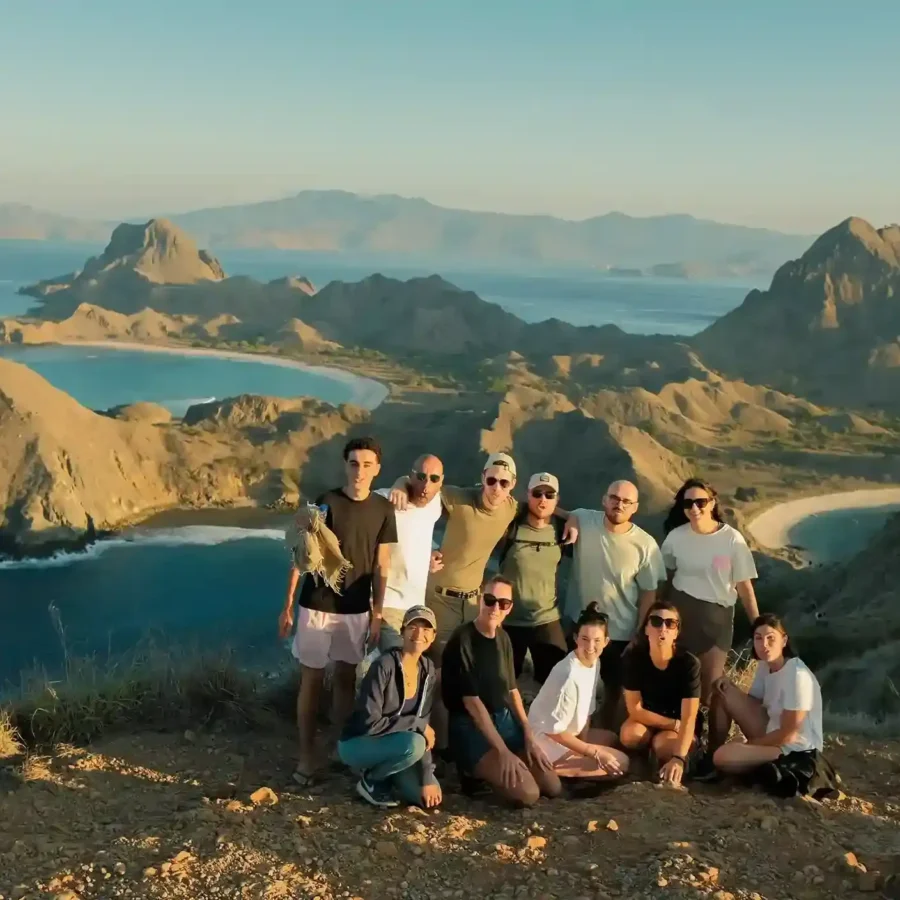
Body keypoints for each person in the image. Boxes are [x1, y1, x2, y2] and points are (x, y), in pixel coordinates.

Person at [278, 436, 398, 785]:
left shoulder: (383, 509)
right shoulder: (327, 502)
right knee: (312, 681)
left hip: (357, 609)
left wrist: (377, 613)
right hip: (317, 606)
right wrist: (286, 606)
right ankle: (306, 756)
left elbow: (382, 565)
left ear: (377, 469)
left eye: (367, 464)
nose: (359, 471)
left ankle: (340, 751)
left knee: (347, 680)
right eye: (354, 463)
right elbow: (303, 556)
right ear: (345, 465)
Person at [441, 575, 562, 806]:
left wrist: (528, 734)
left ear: (510, 608)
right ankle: (472, 772)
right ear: (480, 599)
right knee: (529, 794)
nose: (495, 607)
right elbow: (473, 704)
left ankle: (505, 767)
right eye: (490, 600)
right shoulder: (463, 639)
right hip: (471, 727)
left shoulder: (503, 638)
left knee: (552, 786)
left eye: (503, 603)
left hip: (503, 720)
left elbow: (513, 690)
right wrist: (502, 751)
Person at [562, 480, 667, 727]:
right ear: (604, 499)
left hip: (620, 632)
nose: (619, 504)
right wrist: (571, 520)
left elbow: (649, 594)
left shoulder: (645, 545)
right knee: (573, 686)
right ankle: (573, 741)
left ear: (635, 507)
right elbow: (556, 510)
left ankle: (608, 742)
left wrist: (639, 634)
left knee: (615, 692)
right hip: (579, 626)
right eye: (614, 498)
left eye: (626, 501)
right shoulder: (584, 519)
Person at [707, 615, 835, 797]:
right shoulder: (764, 667)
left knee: (723, 756)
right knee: (722, 690)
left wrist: (750, 745)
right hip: (772, 733)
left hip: (795, 749)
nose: (764, 644)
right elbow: (753, 704)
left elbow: (789, 734)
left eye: (770, 638)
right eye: (758, 638)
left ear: (784, 640)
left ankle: (732, 761)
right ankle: (709, 763)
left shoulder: (797, 675)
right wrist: (730, 686)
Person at [661, 479, 760, 705]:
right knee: (679, 686)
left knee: (711, 691)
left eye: (700, 502)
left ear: (712, 503)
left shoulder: (732, 540)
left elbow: (744, 586)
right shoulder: (676, 537)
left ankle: (714, 740)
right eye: (688, 503)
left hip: (716, 622)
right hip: (680, 618)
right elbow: (664, 579)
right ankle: (684, 736)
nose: (694, 508)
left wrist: (758, 625)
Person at [338, 606, 443, 808]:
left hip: (398, 744)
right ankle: (372, 779)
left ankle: (389, 773)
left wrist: (427, 774)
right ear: (402, 631)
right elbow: (370, 722)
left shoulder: (428, 669)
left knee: (426, 796)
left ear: (433, 636)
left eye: (426, 629)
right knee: (415, 744)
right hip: (359, 742)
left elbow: (424, 723)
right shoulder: (384, 665)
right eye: (413, 627)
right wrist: (416, 724)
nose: (419, 634)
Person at [528, 602, 630, 779]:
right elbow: (555, 731)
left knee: (612, 739)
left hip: (570, 734)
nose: (590, 647)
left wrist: (585, 748)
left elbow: (586, 712)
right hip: (548, 742)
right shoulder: (568, 674)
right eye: (585, 639)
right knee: (621, 762)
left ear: (606, 642)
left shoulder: (594, 663)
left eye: (597, 640)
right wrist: (594, 753)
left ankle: (577, 769)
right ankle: (548, 769)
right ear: (575, 638)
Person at [496, 472, 571, 684]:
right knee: (502, 683)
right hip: (509, 618)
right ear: (528, 495)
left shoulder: (562, 530)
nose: (543, 499)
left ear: (557, 499)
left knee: (558, 681)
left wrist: (571, 517)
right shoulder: (509, 526)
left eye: (549, 495)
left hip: (546, 618)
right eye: (537, 493)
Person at [619, 601, 701, 788]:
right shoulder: (633, 658)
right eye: (656, 621)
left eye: (670, 623)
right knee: (629, 734)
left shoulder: (689, 664)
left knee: (664, 746)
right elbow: (635, 709)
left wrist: (679, 757)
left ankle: (681, 762)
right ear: (646, 628)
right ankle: (641, 763)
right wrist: (673, 724)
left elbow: (689, 717)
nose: (662, 628)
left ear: (676, 632)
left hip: (679, 724)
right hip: (649, 719)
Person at [374, 454, 444, 651]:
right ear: (411, 476)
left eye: (434, 479)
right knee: (398, 660)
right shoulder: (385, 501)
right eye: (420, 477)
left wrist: (428, 554)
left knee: (410, 663)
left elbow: (415, 534)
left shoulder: (434, 504)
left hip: (415, 607)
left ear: (441, 482)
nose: (426, 485)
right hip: (386, 604)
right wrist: (400, 484)